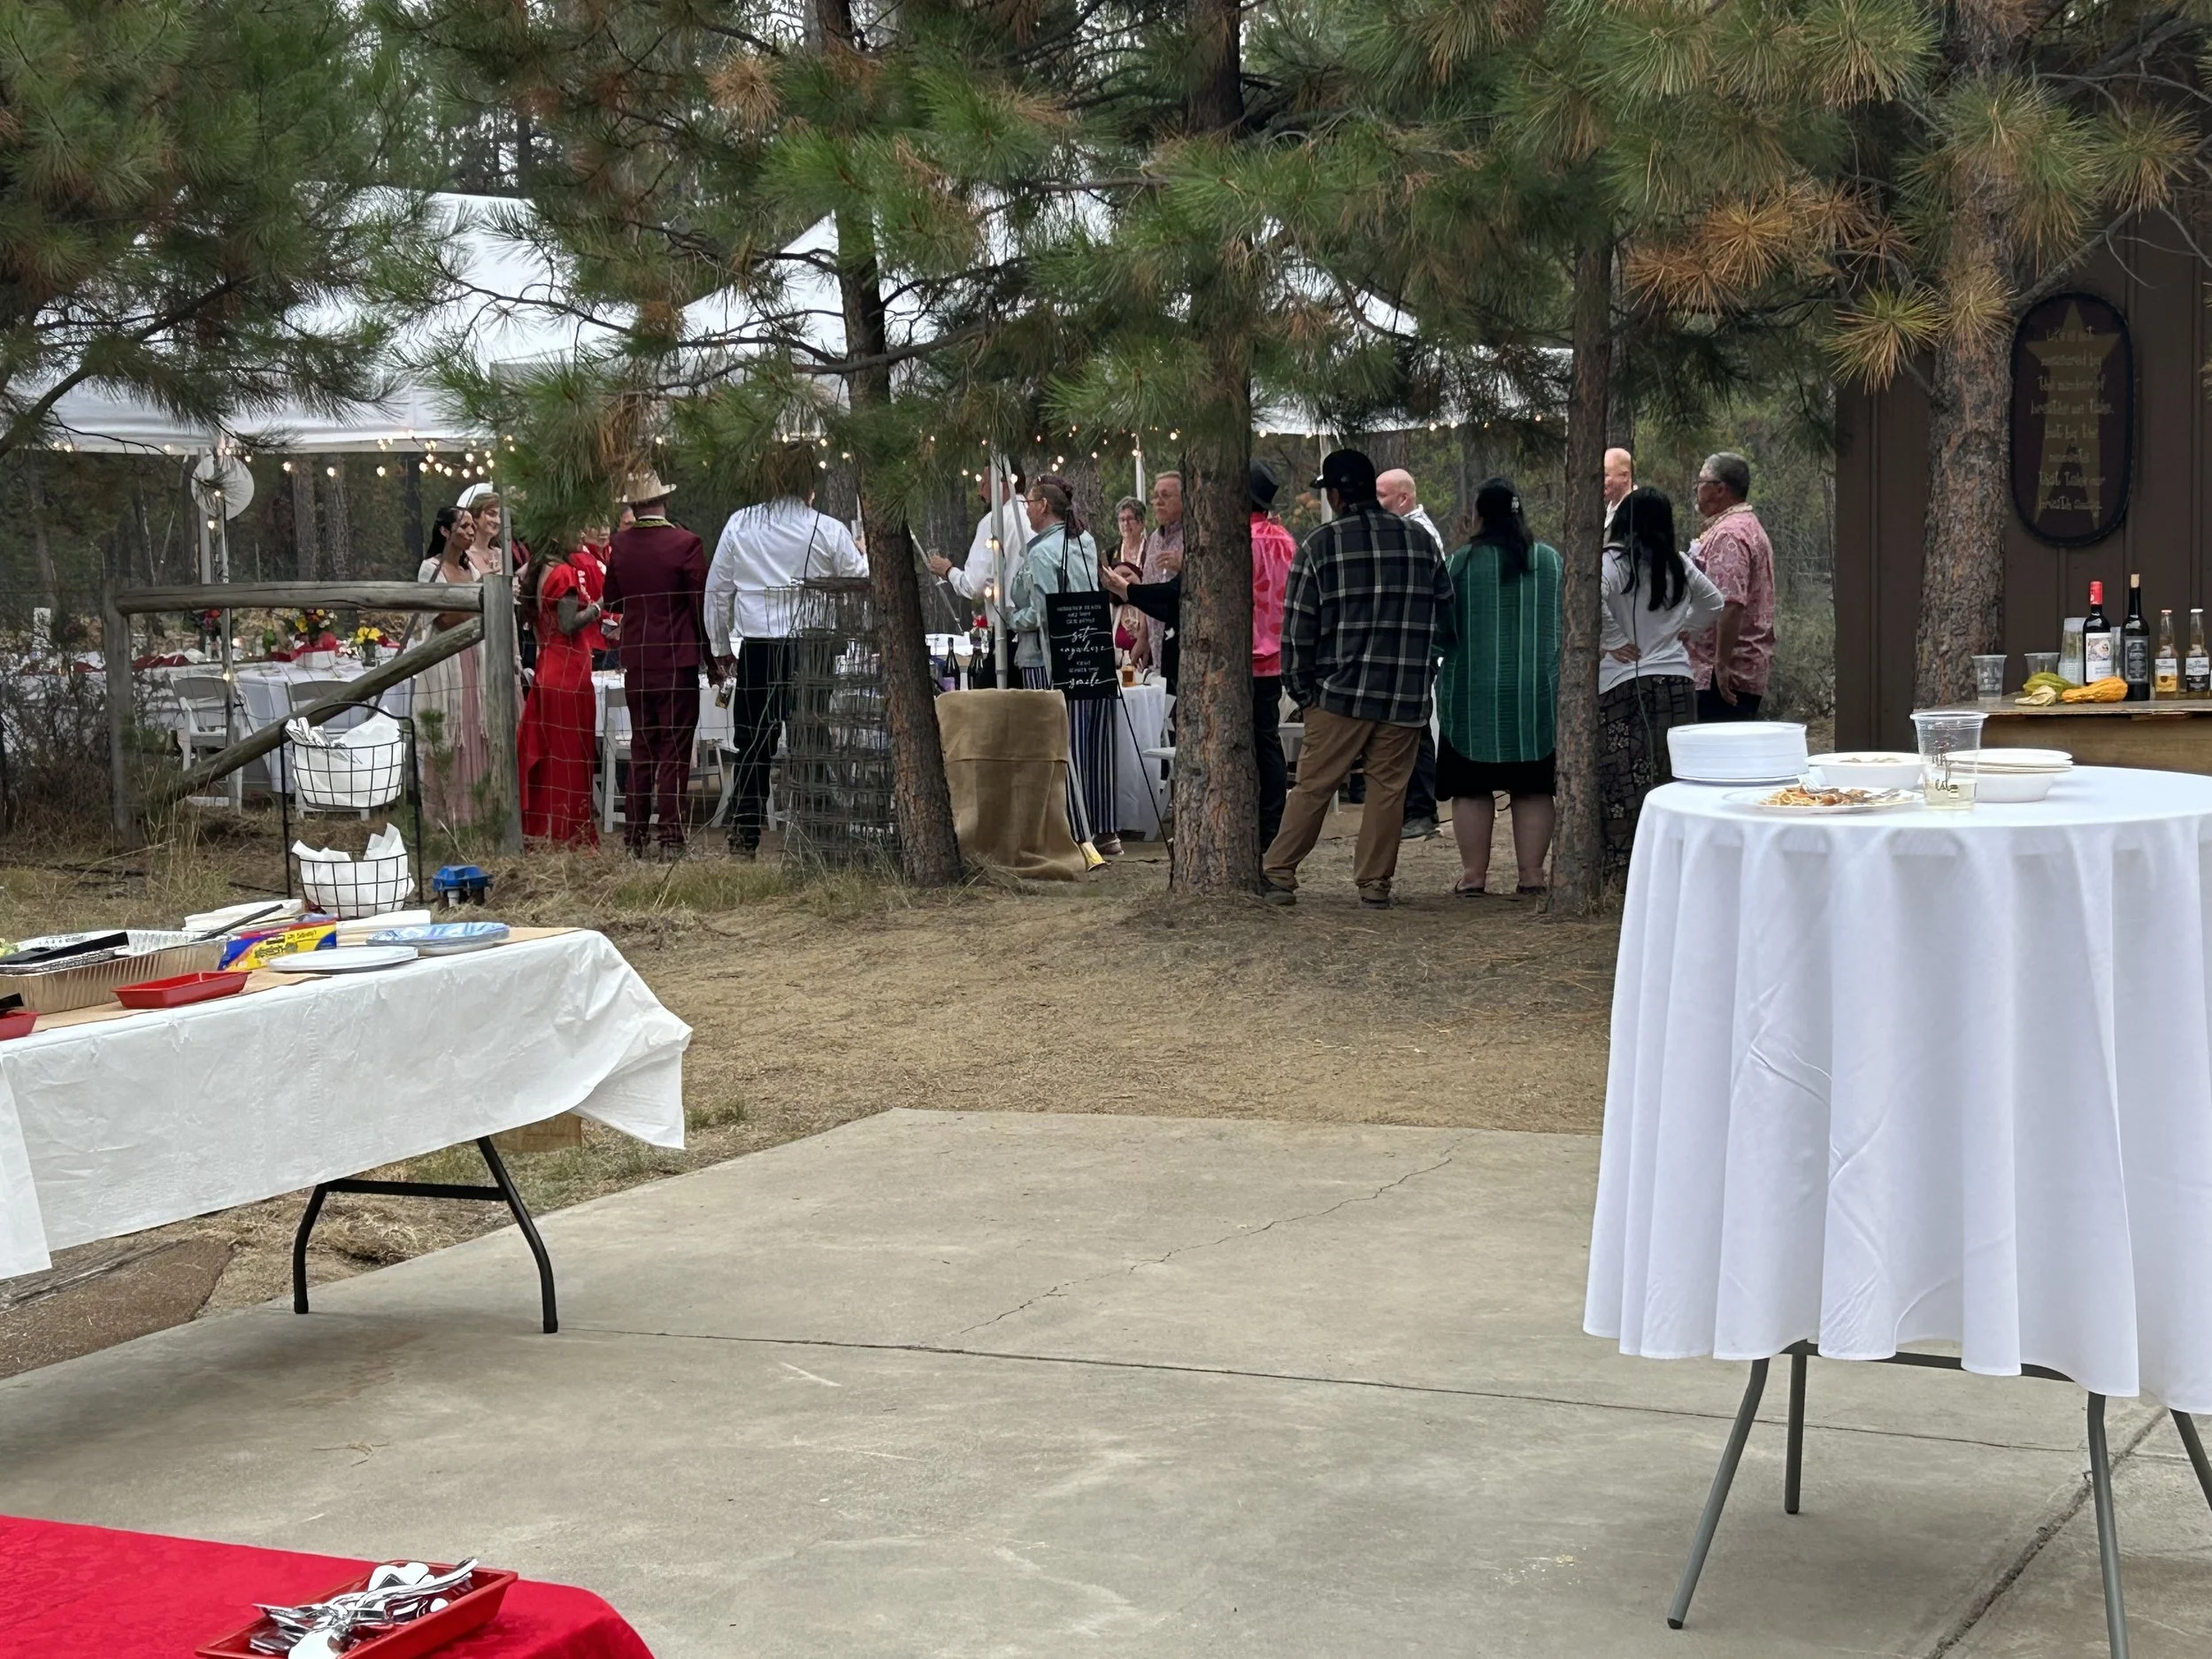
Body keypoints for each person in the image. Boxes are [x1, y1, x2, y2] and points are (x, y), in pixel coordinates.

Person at [1262, 449, 1453, 909]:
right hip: (1404, 692)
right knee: (1389, 791)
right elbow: (1447, 620)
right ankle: (1374, 884)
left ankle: (1279, 873)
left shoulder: (1321, 545)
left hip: (1338, 692)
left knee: (1312, 787)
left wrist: (1302, 689)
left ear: (1335, 494)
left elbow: (1298, 626)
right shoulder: (1420, 543)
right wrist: (1425, 666)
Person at [1102, 460, 1295, 844]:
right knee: (1267, 740)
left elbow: (1181, 595)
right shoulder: (1286, 540)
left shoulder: (1233, 543)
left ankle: (1240, 822)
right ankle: (1271, 822)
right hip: (1276, 657)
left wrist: (1129, 592)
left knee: (1222, 742)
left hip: (1232, 658)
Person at [704, 444, 868, 856]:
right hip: (812, 648)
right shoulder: (827, 529)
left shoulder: (740, 524)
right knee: (810, 737)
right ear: (809, 484)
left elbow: (717, 592)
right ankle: (816, 830)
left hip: (759, 647)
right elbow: (861, 578)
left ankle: (745, 834)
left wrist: (721, 647)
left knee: (753, 743)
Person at [1436, 479, 1563, 897]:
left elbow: (1440, 632)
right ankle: (1531, 876)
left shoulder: (1459, 565)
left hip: (1472, 696)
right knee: (1533, 788)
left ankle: (1474, 877)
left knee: (1472, 789)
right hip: (1534, 698)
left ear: (1478, 515)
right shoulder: (1551, 562)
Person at [1600, 486, 1725, 867]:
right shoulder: (1679, 563)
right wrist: (1686, 627)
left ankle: (1626, 867)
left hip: (1623, 682)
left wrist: (1614, 638)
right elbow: (1715, 602)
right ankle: (1674, 861)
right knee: (1671, 776)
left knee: (1624, 779)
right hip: (1675, 681)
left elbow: (1588, 595)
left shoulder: (1612, 562)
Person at [603, 471, 714, 857]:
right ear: (663, 501)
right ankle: (671, 837)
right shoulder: (686, 543)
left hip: (638, 656)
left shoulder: (621, 545)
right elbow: (700, 607)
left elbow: (611, 598)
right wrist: (712, 657)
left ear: (634, 505)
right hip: (677, 657)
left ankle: (634, 837)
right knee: (675, 749)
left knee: (643, 746)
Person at [1010, 478, 1120, 856]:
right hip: (1090, 649)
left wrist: (1011, 617)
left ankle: (1071, 828)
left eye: (1029, 502)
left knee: (1056, 742)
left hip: (1048, 657)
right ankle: (1103, 826)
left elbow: (1042, 613)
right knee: (1093, 742)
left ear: (1043, 506)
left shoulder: (1041, 554)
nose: (1025, 508)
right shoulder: (1084, 542)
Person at [514, 538, 603, 845]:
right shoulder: (563, 573)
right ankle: (572, 832)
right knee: (572, 755)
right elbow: (568, 624)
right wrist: (600, 607)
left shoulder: (535, 571)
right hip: (568, 670)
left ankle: (546, 829)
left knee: (550, 755)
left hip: (547, 664)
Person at [413, 504, 494, 830]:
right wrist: (475, 611)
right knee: (448, 729)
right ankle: (446, 816)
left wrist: (475, 611)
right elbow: (442, 619)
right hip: (447, 659)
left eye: (473, 526)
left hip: (474, 657)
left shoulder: (472, 570)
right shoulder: (429, 569)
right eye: (463, 527)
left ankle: (478, 811)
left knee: (474, 728)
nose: (471, 532)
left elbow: (483, 608)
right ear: (445, 531)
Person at [1376, 466, 1443, 841]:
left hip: (1414, 649)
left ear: (1404, 498)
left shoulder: (1417, 534)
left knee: (1415, 729)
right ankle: (1410, 809)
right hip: (1406, 647)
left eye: (1383, 496)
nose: (1377, 502)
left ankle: (1421, 811)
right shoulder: (1405, 531)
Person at [1686, 450, 1778, 722]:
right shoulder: (1746, 526)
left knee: (1716, 758)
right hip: (1734, 671)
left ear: (1720, 489)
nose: (1696, 490)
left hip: (1724, 679)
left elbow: (1730, 603)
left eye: (1701, 482)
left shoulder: (1730, 534)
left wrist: (1721, 663)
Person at [926, 466, 1025, 634]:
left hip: (1009, 628)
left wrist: (949, 571)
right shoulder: (1035, 516)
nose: (980, 492)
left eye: (984, 483)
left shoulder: (993, 522)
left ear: (1005, 484)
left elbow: (975, 584)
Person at [1137, 472, 1185, 665]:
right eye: (1155, 496)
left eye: (1165, 496)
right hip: (1155, 646)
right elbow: (1147, 589)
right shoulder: (1152, 541)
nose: (1158, 502)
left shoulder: (1194, 537)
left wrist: (1183, 567)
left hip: (1183, 645)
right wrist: (1142, 637)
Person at [1109, 495, 1150, 670]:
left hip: (1147, 616)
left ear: (1141, 523)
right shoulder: (1111, 554)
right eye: (1121, 519)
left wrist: (1137, 583)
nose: (1125, 524)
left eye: (1130, 519)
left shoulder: (1150, 551)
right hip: (1119, 616)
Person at [569, 522, 616, 670]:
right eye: (596, 526)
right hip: (593, 640)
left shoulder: (613, 553)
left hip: (607, 639)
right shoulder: (582, 560)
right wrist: (616, 619)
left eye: (606, 526)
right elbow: (588, 600)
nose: (603, 532)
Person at [1602, 447, 1635, 541]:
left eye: (1605, 475)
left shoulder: (1636, 515)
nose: (1600, 481)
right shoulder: (1606, 511)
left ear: (1625, 476)